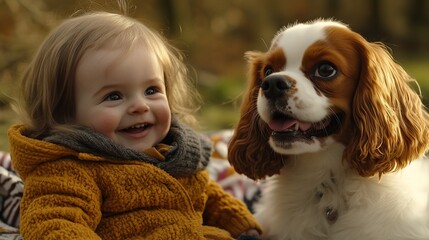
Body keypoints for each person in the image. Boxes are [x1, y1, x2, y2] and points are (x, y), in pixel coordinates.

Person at [8, 11, 262, 239]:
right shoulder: (69, 170)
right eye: (114, 96)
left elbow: (206, 194)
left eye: (151, 90)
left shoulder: (174, 153)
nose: (140, 106)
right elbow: (53, 223)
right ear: (64, 112)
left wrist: (240, 223)